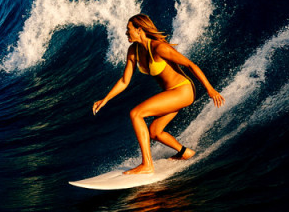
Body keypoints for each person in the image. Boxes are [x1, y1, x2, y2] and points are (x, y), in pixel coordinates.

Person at [92, 14, 225, 175]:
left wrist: (210, 89)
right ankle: (185, 152)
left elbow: (190, 64)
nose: (126, 33)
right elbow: (125, 81)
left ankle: (147, 164)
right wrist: (105, 100)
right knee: (155, 132)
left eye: (129, 30)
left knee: (136, 114)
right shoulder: (133, 50)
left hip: (183, 90)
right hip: (171, 93)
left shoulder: (159, 48)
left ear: (139, 30)